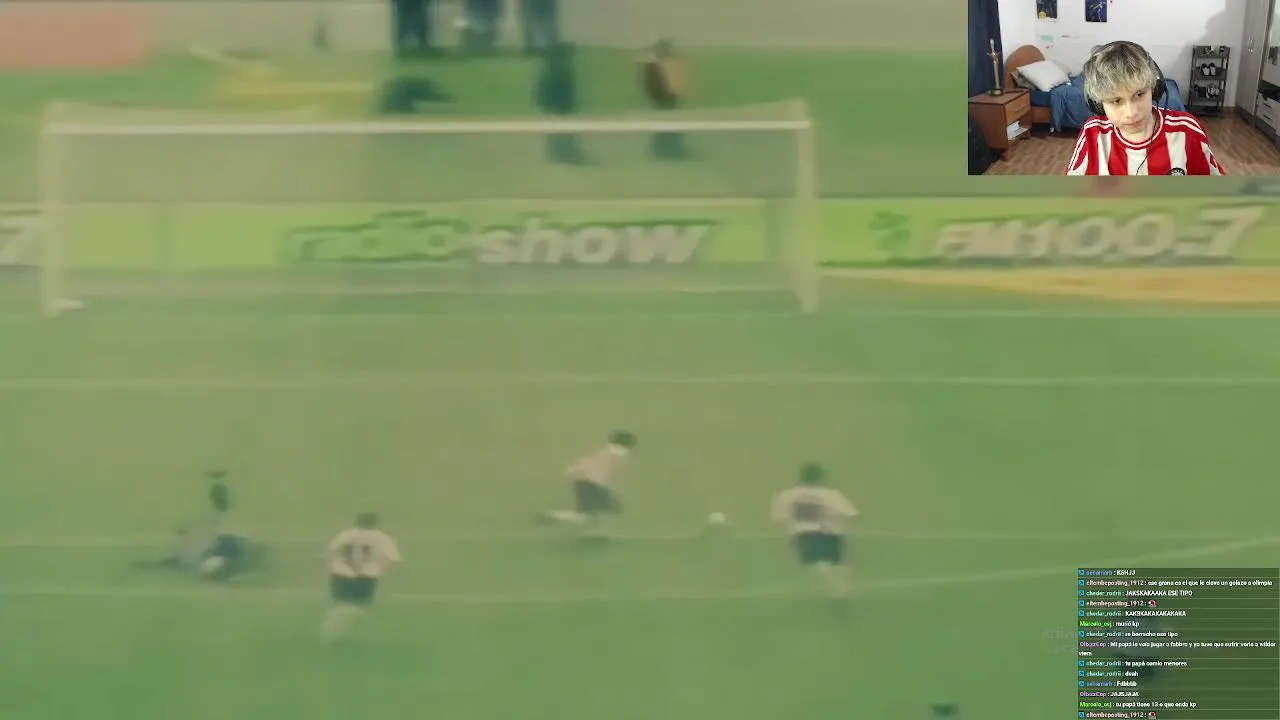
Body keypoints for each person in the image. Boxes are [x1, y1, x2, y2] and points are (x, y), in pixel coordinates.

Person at [1067, 41, 1225, 175]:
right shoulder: (1092, 134)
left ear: (1154, 89)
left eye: (1139, 94)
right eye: (1116, 101)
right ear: (1098, 104)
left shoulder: (1187, 131)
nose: (1131, 113)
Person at [137, 471, 264, 582]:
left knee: (197, 557)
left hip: (223, 548)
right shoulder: (228, 531)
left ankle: (172, 562)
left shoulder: (225, 536)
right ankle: (172, 562)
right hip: (224, 547)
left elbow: (219, 538)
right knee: (197, 554)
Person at [770, 463, 857, 598]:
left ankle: (831, 582)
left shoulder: (788, 495)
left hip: (805, 535)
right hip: (832, 534)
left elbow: (780, 517)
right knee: (837, 565)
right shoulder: (830, 494)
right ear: (820, 478)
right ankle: (840, 590)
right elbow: (851, 514)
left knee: (817, 564)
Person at [535, 430, 637, 535]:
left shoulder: (605, 452)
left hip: (584, 483)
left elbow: (587, 463)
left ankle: (553, 517)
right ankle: (553, 516)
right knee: (603, 510)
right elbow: (606, 471)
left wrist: (573, 469)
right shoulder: (619, 455)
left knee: (591, 514)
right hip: (592, 484)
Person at [322, 512, 403, 641]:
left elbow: (331, 550)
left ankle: (334, 630)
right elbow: (392, 558)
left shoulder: (347, 533)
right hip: (365, 576)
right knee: (358, 606)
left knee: (340, 604)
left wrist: (331, 567)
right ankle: (335, 632)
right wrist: (383, 571)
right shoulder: (380, 537)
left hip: (342, 574)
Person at [535, 42, 586, 164]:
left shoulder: (555, 71)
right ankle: (562, 153)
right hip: (559, 108)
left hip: (561, 108)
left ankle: (562, 152)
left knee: (562, 132)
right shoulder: (559, 72)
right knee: (559, 132)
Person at [639, 39, 690, 159]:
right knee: (666, 125)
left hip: (663, 99)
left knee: (665, 125)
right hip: (663, 99)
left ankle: (666, 149)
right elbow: (654, 86)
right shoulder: (654, 66)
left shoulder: (653, 66)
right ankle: (667, 150)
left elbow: (651, 86)